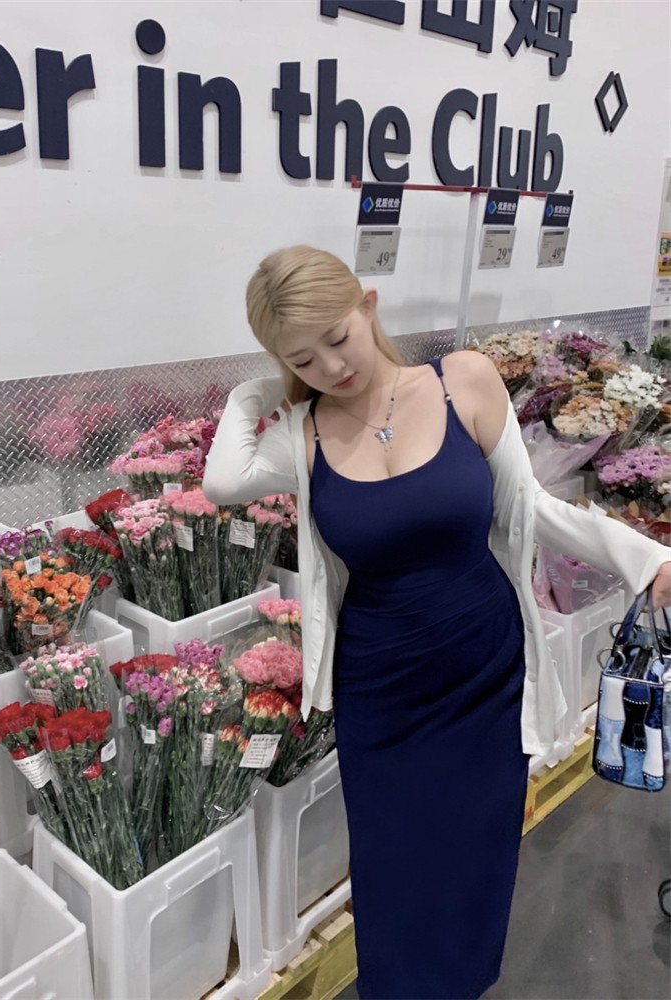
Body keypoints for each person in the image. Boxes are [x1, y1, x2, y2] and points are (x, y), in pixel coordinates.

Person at [202, 245, 671, 999]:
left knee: (473, 864)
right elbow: (224, 481)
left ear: (368, 306)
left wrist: (644, 558)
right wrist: (254, 389)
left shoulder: (464, 382)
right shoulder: (306, 432)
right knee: (392, 871)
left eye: (337, 338)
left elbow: (530, 509)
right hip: (381, 689)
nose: (330, 367)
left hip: (483, 670)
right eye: (302, 358)